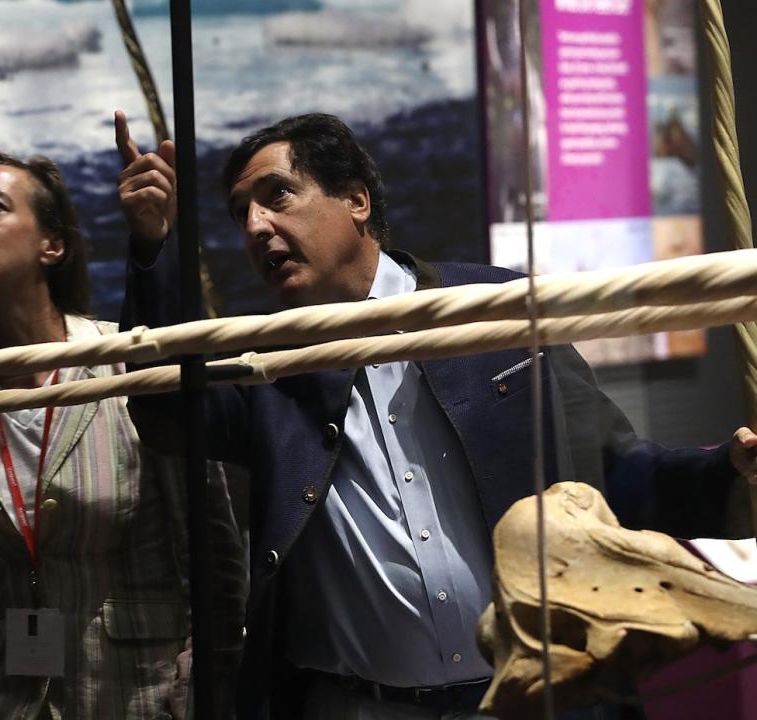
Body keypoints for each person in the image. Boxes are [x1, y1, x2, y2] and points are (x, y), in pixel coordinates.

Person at [116, 111, 757, 720]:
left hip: (530, 699)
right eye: (240, 214)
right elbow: (168, 406)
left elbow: (612, 470)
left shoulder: (495, 310)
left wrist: (728, 472)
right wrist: (152, 247)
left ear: (356, 202)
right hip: (355, 706)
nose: (255, 227)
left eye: (277, 195)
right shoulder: (267, 369)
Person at [0, 148, 246, 719]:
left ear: (53, 245)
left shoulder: (126, 365)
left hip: (139, 702)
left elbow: (215, 562)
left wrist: (192, 700)